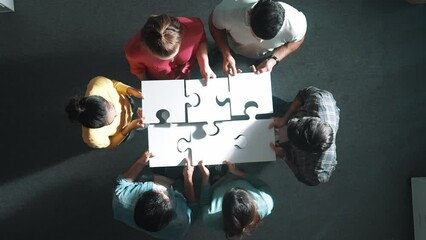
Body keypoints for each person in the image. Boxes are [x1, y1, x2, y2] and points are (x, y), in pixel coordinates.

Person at [112, 151, 196, 240]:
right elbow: (193, 206)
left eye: (159, 193)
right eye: (168, 199)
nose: (165, 192)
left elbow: (123, 182)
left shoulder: (121, 199)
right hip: (177, 185)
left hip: (150, 176)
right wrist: (188, 178)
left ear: (140, 197)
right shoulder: (182, 223)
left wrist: (141, 161)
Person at [209, 0, 307, 75]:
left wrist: (274, 59)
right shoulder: (229, 10)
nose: (260, 41)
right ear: (250, 13)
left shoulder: (295, 23)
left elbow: (298, 40)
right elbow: (214, 25)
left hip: (265, 56)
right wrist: (226, 54)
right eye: (256, 35)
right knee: (220, 52)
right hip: (231, 46)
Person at [269, 86, 340, 186]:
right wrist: (285, 119)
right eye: (298, 121)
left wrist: (285, 156)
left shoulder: (317, 171)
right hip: (292, 113)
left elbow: (304, 178)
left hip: (289, 150)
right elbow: (303, 95)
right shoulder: (320, 100)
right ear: (309, 119)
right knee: (268, 102)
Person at [125, 14, 216, 83]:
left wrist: (205, 65)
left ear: (182, 36)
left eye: (175, 54)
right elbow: (139, 70)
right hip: (160, 78)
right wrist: (148, 86)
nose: (172, 60)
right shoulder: (134, 51)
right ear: (145, 47)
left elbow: (201, 41)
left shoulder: (194, 27)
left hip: (186, 69)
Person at [199, 160, 273, 239]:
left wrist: (205, 178)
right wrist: (238, 173)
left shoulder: (211, 219)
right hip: (238, 176)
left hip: (217, 183)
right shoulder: (266, 202)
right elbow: (262, 185)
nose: (233, 188)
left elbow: (204, 202)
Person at [65, 76, 144, 149]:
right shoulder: (93, 138)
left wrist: (130, 90)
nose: (117, 113)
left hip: (127, 102)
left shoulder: (97, 84)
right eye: (110, 122)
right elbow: (111, 143)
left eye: (112, 106)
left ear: (102, 98)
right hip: (126, 128)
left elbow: (113, 85)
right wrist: (130, 127)